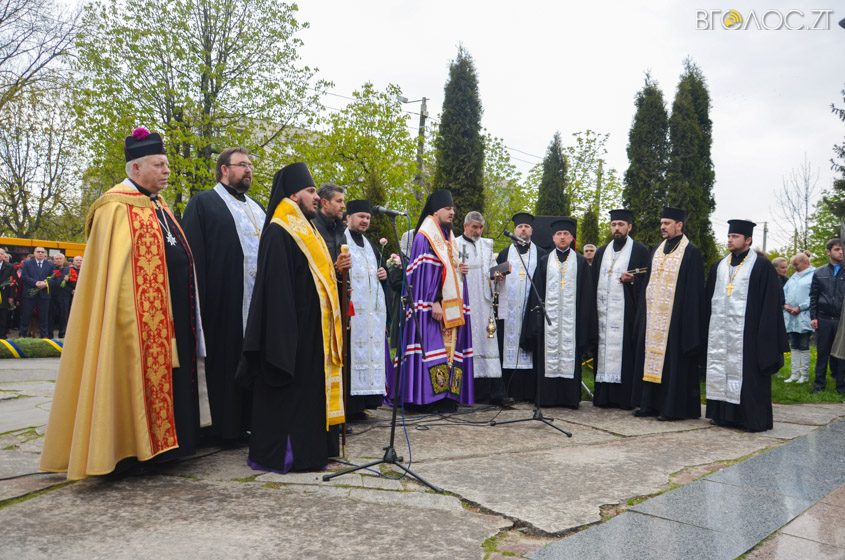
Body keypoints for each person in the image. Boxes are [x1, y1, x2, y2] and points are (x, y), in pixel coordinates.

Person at [40, 127, 206, 480]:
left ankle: (171, 447)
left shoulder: (159, 205)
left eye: (167, 164)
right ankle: (130, 451)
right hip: (130, 322)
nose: (167, 171)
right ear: (136, 168)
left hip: (170, 317)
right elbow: (111, 277)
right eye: (159, 164)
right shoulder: (114, 208)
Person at [239, 162, 343, 473]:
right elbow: (276, 290)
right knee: (292, 396)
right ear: (293, 195)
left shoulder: (307, 228)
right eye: (310, 191)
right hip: (291, 333)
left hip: (312, 329)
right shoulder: (279, 230)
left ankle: (316, 451)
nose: (316, 196)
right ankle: (291, 455)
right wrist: (285, 336)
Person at [181, 147, 265, 444]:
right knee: (225, 362)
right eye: (242, 165)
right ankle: (223, 429)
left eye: (250, 165)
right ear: (224, 170)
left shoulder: (258, 208)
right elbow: (193, 255)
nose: (248, 170)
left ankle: (251, 423)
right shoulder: (203, 203)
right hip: (222, 303)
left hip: (255, 303)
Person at [704, 220, 787, 432]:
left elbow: (770, 303)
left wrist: (764, 334)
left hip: (749, 333)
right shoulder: (719, 266)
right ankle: (723, 416)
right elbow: (708, 299)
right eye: (729, 236)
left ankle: (750, 418)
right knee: (721, 368)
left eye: (735, 236)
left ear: (748, 240)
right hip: (721, 332)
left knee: (748, 374)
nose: (730, 240)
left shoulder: (761, 266)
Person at [395, 189, 473, 410]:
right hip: (432, 306)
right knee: (432, 350)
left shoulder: (448, 237)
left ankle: (446, 396)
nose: (452, 212)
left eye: (453, 208)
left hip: (451, 306)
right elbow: (424, 274)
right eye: (448, 208)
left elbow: (446, 270)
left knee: (449, 351)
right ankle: (428, 399)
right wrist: (434, 300)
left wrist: (460, 269)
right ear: (436, 211)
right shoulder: (425, 236)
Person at [635, 207, 705, 420]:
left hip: (676, 318)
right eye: (661, 223)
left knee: (673, 364)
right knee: (651, 360)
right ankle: (649, 404)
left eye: (667, 223)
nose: (662, 227)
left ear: (679, 225)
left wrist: (688, 321)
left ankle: (671, 408)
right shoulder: (657, 249)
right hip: (653, 315)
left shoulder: (691, 252)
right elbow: (648, 283)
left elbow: (694, 291)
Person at [521, 218, 594, 408]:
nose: (562, 237)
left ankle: (570, 399)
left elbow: (587, 296)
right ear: (553, 238)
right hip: (549, 323)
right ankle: (547, 398)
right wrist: (536, 323)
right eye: (559, 234)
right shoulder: (544, 261)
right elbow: (536, 294)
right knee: (548, 356)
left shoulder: (580, 262)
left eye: (566, 234)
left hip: (572, 323)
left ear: (571, 238)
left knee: (570, 355)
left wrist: (584, 323)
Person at [591, 209, 651, 410]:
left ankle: (625, 398)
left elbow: (648, 280)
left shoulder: (640, 251)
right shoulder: (601, 252)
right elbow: (593, 281)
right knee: (602, 349)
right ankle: (603, 397)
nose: (617, 228)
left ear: (629, 227)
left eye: (621, 224)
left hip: (627, 314)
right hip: (603, 313)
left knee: (625, 353)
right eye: (614, 224)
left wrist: (633, 280)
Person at [342, 199, 389, 419]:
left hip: (371, 315)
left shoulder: (370, 245)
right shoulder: (342, 240)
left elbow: (377, 275)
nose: (365, 221)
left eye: (368, 217)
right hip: (353, 313)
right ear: (348, 218)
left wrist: (384, 274)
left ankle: (364, 404)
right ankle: (349, 407)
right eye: (361, 216)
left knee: (370, 355)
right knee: (351, 356)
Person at [455, 211, 508, 405]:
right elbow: (448, 270)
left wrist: (497, 276)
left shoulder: (487, 245)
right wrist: (457, 269)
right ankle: (465, 392)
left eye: (480, 228)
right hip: (465, 301)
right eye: (474, 227)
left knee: (488, 342)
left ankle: (492, 393)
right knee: (468, 342)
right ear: (465, 226)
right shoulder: (454, 243)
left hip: (484, 303)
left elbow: (492, 269)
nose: (478, 231)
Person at [496, 213, 545, 401]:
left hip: (531, 311)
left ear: (531, 230)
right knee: (507, 347)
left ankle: (530, 393)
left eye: (526, 226)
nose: (523, 229)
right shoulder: (504, 253)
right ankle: (508, 392)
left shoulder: (541, 254)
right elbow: (494, 276)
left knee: (530, 349)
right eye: (520, 227)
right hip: (508, 311)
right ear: (514, 230)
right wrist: (497, 277)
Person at [809, 238, 845, 394]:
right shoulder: (819, 272)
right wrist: (813, 316)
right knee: (822, 352)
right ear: (828, 252)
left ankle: (841, 386)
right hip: (823, 318)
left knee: (842, 354)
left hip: (842, 320)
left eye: (842, 249)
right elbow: (813, 296)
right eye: (837, 249)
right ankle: (819, 385)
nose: (841, 252)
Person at [783, 252, 815, 383]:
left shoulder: (814, 275)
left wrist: (800, 307)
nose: (794, 267)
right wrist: (785, 305)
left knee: (804, 345)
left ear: (805, 262)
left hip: (804, 316)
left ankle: (804, 375)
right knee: (794, 345)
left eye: (796, 264)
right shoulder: (794, 277)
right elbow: (785, 291)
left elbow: (814, 296)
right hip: (791, 316)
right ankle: (794, 374)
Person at [18, 246, 51, 338]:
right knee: (26, 316)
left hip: (44, 295)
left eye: (42, 252)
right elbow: (24, 276)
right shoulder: (27, 263)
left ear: (45, 254)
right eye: (38, 251)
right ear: (34, 253)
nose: (40, 253)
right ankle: (22, 336)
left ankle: (44, 337)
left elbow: (53, 277)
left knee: (44, 317)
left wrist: (45, 283)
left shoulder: (50, 264)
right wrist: (35, 283)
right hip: (29, 295)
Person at [313, 183, 347, 266]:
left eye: (343, 201)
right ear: (325, 203)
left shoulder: (341, 230)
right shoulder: (312, 228)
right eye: (339, 201)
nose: (343, 206)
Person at [47, 253, 73, 338]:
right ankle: (49, 335)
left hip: (64, 296)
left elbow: (73, 283)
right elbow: (47, 280)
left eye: (60, 258)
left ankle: (62, 334)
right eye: (56, 259)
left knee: (63, 315)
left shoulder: (69, 270)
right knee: (51, 315)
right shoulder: (50, 269)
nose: (58, 260)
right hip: (52, 295)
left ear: (64, 260)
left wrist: (69, 280)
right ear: (54, 260)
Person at [0, 248, 12, 338]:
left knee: (3, 316)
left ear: (4, 255)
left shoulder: (9, 266)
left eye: (1, 254)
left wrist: (11, 296)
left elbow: (13, 282)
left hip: (4, 294)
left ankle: (2, 335)